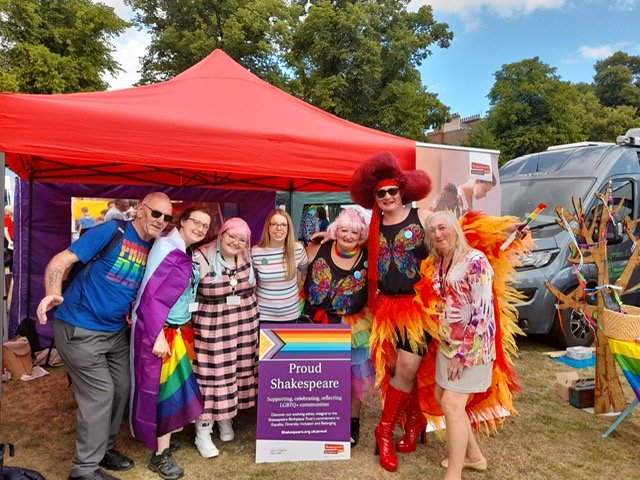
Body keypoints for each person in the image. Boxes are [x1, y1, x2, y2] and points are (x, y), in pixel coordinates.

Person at [36, 192, 173, 480]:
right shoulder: (112, 231)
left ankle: (104, 448)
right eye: (156, 213)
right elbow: (62, 260)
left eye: (167, 217)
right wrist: (52, 293)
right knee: (100, 394)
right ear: (141, 210)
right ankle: (84, 470)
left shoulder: (154, 247)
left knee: (123, 388)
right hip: (79, 328)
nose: (161, 221)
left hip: (114, 332)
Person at [350, 152, 432, 472]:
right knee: (399, 371)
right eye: (380, 194)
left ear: (402, 192)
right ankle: (415, 423)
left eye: (391, 192)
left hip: (416, 308)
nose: (386, 197)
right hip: (385, 309)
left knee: (408, 369)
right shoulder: (373, 226)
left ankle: (383, 432)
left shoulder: (421, 218)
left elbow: (454, 241)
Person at [130, 207, 211, 480]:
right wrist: (158, 334)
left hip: (178, 330)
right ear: (183, 222)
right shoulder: (167, 247)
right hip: (163, 332)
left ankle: (164, 442)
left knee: (175, 389)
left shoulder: (185, 250)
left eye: (205, 225)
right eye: (195, 222)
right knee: (165, 393)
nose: (200, 228)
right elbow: (152, 295)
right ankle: (159, 456)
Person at [424, 210, 494, 480]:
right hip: (447, 344)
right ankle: (474, 457)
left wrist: (463, 355)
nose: (438, 234)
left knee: (452, 403)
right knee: (444, 398)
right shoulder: (439, 261)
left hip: (472, 347)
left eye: (442, 227)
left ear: (455, 228)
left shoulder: (476, 261)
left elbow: (482, 311)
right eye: (432, 230)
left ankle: (454, 474)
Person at [302, 208, 375, 446]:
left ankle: (352, 422)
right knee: (316, 375)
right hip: (315, 320)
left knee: (354, 377)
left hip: (351, 324)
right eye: (344, 230)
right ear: (336, 230)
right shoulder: (317, 248)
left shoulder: (368, 257)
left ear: (362, 234)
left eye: (355, 232)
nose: (349, 236)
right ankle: (317, 417)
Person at [191, 218, 259, 458]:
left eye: (242, 239)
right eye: (231, 236)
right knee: (213, 375)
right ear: (221, 234)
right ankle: (203, 430)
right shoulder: (200, 256)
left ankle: (225, 418)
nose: (236, 242)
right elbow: (186, 293)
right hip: (213, 326)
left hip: (244, 325)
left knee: (236, 371)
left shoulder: (248, 256)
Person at [252, 209, 308, 322]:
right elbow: (252, 283)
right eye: (274, 224)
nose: (279, 228)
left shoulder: (297, 250)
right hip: (263, 315)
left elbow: (305, 273)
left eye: (283, 225)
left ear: (288, 229)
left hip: (291, 314)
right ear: (268, 227)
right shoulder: (256, 252)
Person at [4, 205, 14, 272]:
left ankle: (12, 271)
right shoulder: (6, 218)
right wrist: (9, 241)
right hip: (9, 240)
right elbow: (5, 230)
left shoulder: (11, 218)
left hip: (12, 239)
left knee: (12, 256)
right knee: (11, 257)